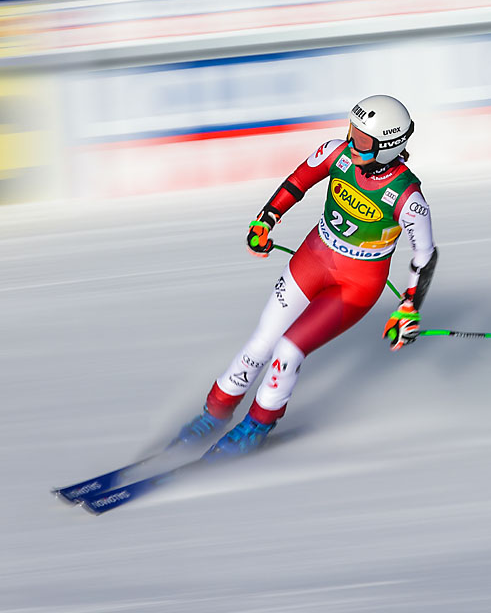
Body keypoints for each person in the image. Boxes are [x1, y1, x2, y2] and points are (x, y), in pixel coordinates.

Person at [175, 94, 438, 459]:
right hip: (313, 257)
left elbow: (425, 254)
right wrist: (266, 219)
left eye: (363, 141)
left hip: (356, 284)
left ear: (389, 146)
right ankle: (214, 412)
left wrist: (409, 308)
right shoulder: (338, 153)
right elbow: (299, 180)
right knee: (262, 341)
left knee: (289, 348)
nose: (351, 143)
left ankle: (258, 424)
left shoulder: (407, 197)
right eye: (352, 132)